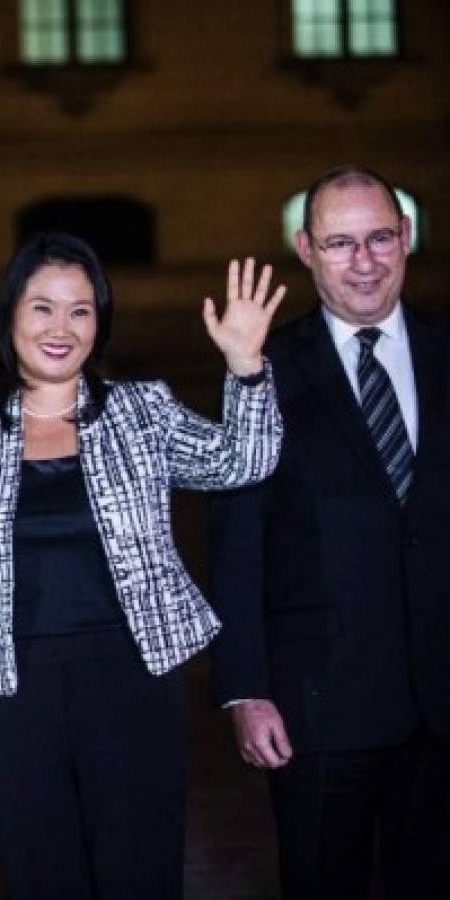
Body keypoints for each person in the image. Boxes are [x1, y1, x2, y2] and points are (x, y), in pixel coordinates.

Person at [0, 231, 284, 899]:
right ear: (9, 314)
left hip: (133, 684)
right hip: (14, 696)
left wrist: (246, 368)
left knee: (139, 874)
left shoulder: (140, 411)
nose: (61, 328)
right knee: (41, 876)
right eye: (42, 308)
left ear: (100, 322)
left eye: (81, 310)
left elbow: (242, 462)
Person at [209, 166, 450, 898]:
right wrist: (245, 689)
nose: (366, 261)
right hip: (318, 708)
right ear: (305, 249)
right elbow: (236, 543)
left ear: (406, 239)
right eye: (341, 243)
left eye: (380, 238)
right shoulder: (264, 371)